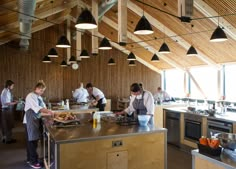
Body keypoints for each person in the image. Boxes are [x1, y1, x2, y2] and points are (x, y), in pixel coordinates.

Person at [23, 80, 53, 169]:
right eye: (41, 90)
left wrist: (49, 113)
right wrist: (49, 112)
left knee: (33, 141)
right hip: (29, 121)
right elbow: (38, 108)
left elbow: (43, 107)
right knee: (31, 142)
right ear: (36, 88)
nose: (42, 92)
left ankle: (30, 159)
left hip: (35, 120)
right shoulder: (31, 96)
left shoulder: (38, 97)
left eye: (43, 90)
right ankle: (33, 161)